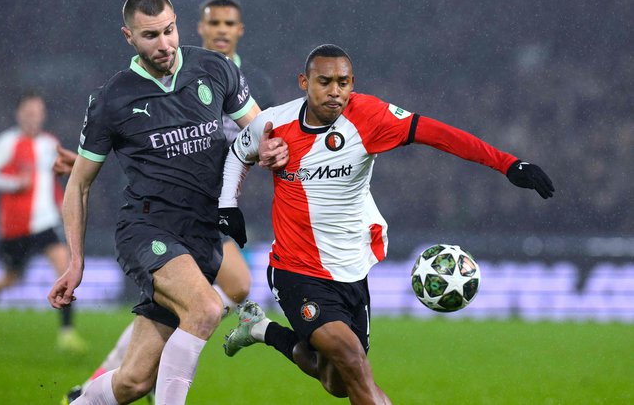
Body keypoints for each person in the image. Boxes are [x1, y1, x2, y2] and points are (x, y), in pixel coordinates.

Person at [219, 44, 555, 404]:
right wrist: (228, 207)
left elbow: (438, 134)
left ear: (353, 84)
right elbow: (239, 153)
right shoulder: (276, 122)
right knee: (353, 363)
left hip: (351, 270)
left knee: (337, 381)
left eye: (343, 83)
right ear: (304, 81)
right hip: (297, 269)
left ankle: (261, 329)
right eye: (325, 81)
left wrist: (506, 164)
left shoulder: (370, 117)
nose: (335, 91)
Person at [48, 0, 287, 405]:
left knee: (134, 381)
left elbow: (259, 132)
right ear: (128, 37)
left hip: (204, 237)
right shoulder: (112, 99)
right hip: (148, 229)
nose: (164, 44)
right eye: (150, 36)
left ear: (177, 23)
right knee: (208, 309)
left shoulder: (213, 69)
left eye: (169, 31)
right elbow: (79, 185)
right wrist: (76, 261)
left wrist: (271, 148)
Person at [0, 91, 86, 352]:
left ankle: (67, 333)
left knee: (65, 270)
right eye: (28, 113)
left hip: (45, 223)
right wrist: (13, 183)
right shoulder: (7, 142)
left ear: (43, 115)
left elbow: (52, 182)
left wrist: (62, 207)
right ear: (19, 114)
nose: (33, 118)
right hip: (15, 227)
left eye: (37, 113)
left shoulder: (50, 144)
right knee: (13, 277)